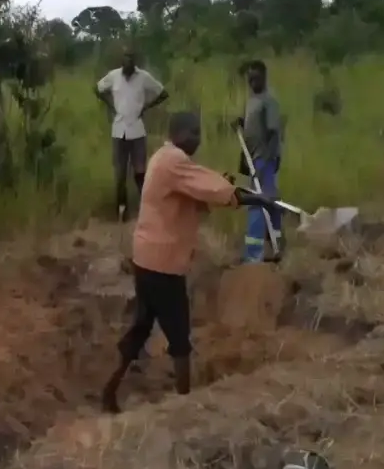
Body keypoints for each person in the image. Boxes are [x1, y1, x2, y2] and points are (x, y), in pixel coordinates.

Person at [100, 111, 277, 413]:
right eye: (194, 132)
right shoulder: (173, 161)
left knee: (142, 326)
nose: (198, 138)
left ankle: (110, 390)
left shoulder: (165, 158)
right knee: (179, 335)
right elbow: (211, 188)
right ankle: (185, 404)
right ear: (179, 133)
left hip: (147, 258)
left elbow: (203, 186)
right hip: (162, 263)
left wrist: (229, 188)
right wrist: (255, 199)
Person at [95, 49, 169, 219]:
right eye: (125, 60)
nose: (127, 63)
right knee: (120, 174)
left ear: (135, 62)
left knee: (140, 173)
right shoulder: (113, 76)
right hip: (118, 130)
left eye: (131, 60)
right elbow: (97, 89)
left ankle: (147, 210)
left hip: (137, 130)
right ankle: (122, 210)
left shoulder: (143, 77)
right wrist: (110, 105)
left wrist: (146, 107)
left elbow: (163, 93)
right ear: (121, 62)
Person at [232, 60, 284, 263]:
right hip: (252, 158)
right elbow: (249, 125)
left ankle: (253, 255)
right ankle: (275, 245)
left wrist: (267, 162)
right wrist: (239, 123)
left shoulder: (269, 100)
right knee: (268, 201)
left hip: (265, 159)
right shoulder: (251, 100)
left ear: (264, 77)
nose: (252, 82)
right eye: (249, 79)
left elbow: (272, 133)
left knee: (257, 202)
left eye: (256, 78)